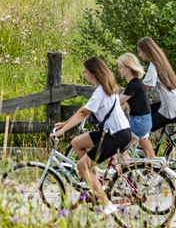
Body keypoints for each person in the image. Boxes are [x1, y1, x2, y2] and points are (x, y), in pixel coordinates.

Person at [49, 56, 131, 215]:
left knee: (81, 166)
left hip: (116, 136)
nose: (85, 75)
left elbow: (84, 112)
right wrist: (65, 123)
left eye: (86, 72)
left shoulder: (101, 91)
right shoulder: (105, 88)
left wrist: (60, 132)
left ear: (94, 72)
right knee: (77, 143)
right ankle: (95, 183)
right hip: (115, 132)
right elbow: (85, 109)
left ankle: (107, 205)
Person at [135, 37, 176, 158]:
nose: (139, 54)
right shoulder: (161, 62)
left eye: (140, 51)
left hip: (169, 108)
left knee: (141, 133)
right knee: (141, 119)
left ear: (147, 51)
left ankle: (155, 166)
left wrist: (130, 100)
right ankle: (145, 153)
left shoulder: (154, 65)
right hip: (172, 104)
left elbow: (145, 87)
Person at [117, 53, 154, 158]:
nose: (119, 70)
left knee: (119, 149)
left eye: (120, 68)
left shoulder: (133, 85)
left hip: (139, 123)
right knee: (121, 151)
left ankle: (131, 173)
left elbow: (118, 101)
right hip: (141, 121)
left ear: (128, 68)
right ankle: (131, 173)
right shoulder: (137, 83)